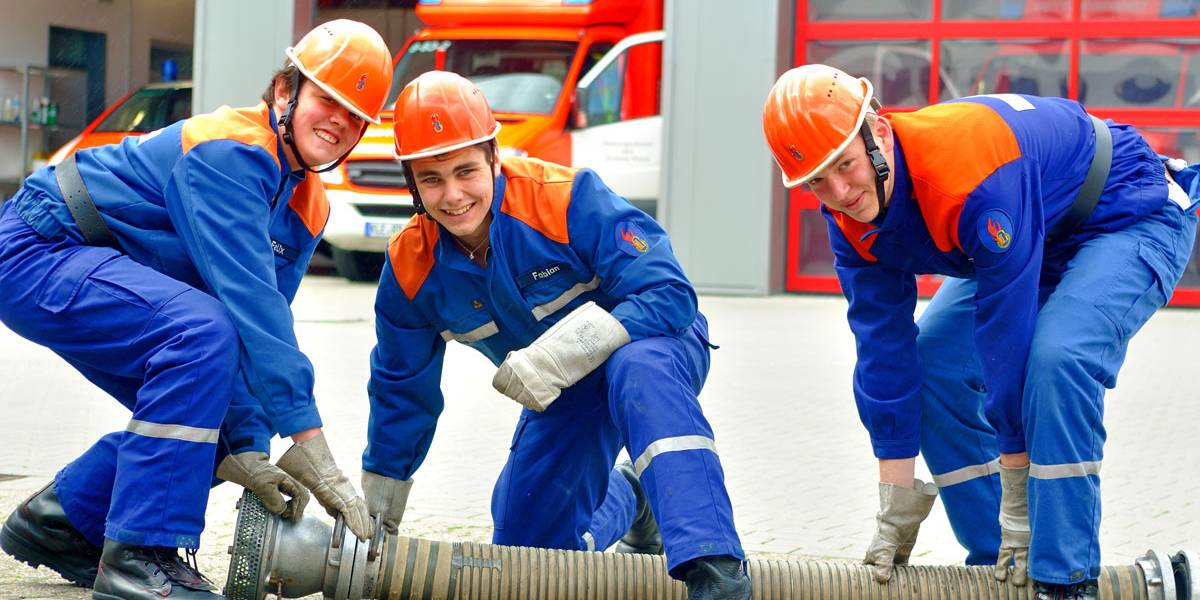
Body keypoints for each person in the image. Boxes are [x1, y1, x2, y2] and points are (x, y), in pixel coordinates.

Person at [761, 64, 1199, 599]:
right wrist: (895, 502)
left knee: (1056, 360)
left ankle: (1063, 579)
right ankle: (1000, 568)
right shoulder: (851, 218)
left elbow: (1004, 338)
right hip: (1029, 236)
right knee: (935, 369)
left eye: (845, 166)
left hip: (1126, 211)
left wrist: (1019, 493)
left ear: (877, 133)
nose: (839, 192)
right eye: (816, 183)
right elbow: (883, 351)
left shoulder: (967, 172)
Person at [0, 20, 392, 599]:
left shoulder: (308, 205)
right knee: (200, 333)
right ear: (286, 92)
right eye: (327, 99)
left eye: (355, 114)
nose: (339, 120)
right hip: (40, 248)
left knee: (216, 394)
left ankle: (64, 522)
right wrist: (309, 441)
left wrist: (252, 448)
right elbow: (252, 311)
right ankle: (139, 554)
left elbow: (260, 337)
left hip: (95, 266)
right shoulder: (229, 152)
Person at [360, 71, 751, 599]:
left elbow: (670, 294)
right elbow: (401, 392)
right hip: (566, 395)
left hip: (656, 350)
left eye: (466, 171)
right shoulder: (410, 268)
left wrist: (565, 353)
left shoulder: (564, 200)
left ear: (493, 157)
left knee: (637, 370)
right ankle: (630, 501)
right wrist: (379, 519)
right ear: (411, 182)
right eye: (431, 179)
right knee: (527, 554)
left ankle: (714, 567)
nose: (453, 195)